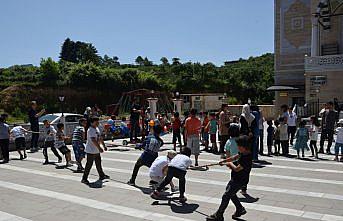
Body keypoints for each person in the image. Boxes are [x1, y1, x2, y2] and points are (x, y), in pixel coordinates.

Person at [206, 135, 252, 221]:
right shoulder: (243, 153)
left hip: (240, 180)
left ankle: (219, 215)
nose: (238, 148)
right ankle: (240, 209)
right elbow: (235, 157)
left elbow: (237, 169)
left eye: (239, 146)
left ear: (244, 147)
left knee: (226, 195)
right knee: (230, 192)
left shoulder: (247, 158)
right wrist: (225, 160)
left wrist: (229, 164)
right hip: (236, 178)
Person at [81, 117, 110, 184]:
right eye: (96, 122)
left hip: (96, 150)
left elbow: (100, 137)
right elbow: (93, 140)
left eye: (98, 122)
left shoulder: (96, 128)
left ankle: (102, 175)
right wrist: (99, 148)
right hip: (91, 150)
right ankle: (84, 178)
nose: (97, 123)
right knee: (89, 165)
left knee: (98, 163)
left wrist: (104, 145)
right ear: (91, 123)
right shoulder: (90, 130)